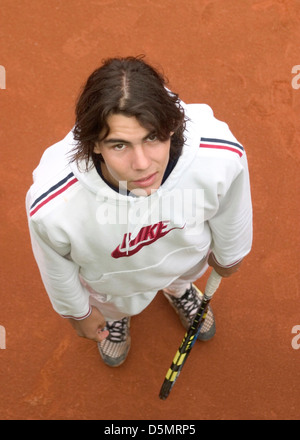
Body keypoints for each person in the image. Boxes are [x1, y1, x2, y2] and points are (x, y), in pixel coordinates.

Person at [26, 56, 252, 367]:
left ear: (171, 127)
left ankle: (178, 288)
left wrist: (232, 251)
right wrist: (79, 313)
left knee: (183, 273)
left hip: (184, 256)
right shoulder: (53, 204)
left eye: (152, 138)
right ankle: (115, 318)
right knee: (116, 304)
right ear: (93, 144)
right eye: (119, 145)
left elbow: (232, 203)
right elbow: (55, 263)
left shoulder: (219, 154)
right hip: (113, 287)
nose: (142, 163)